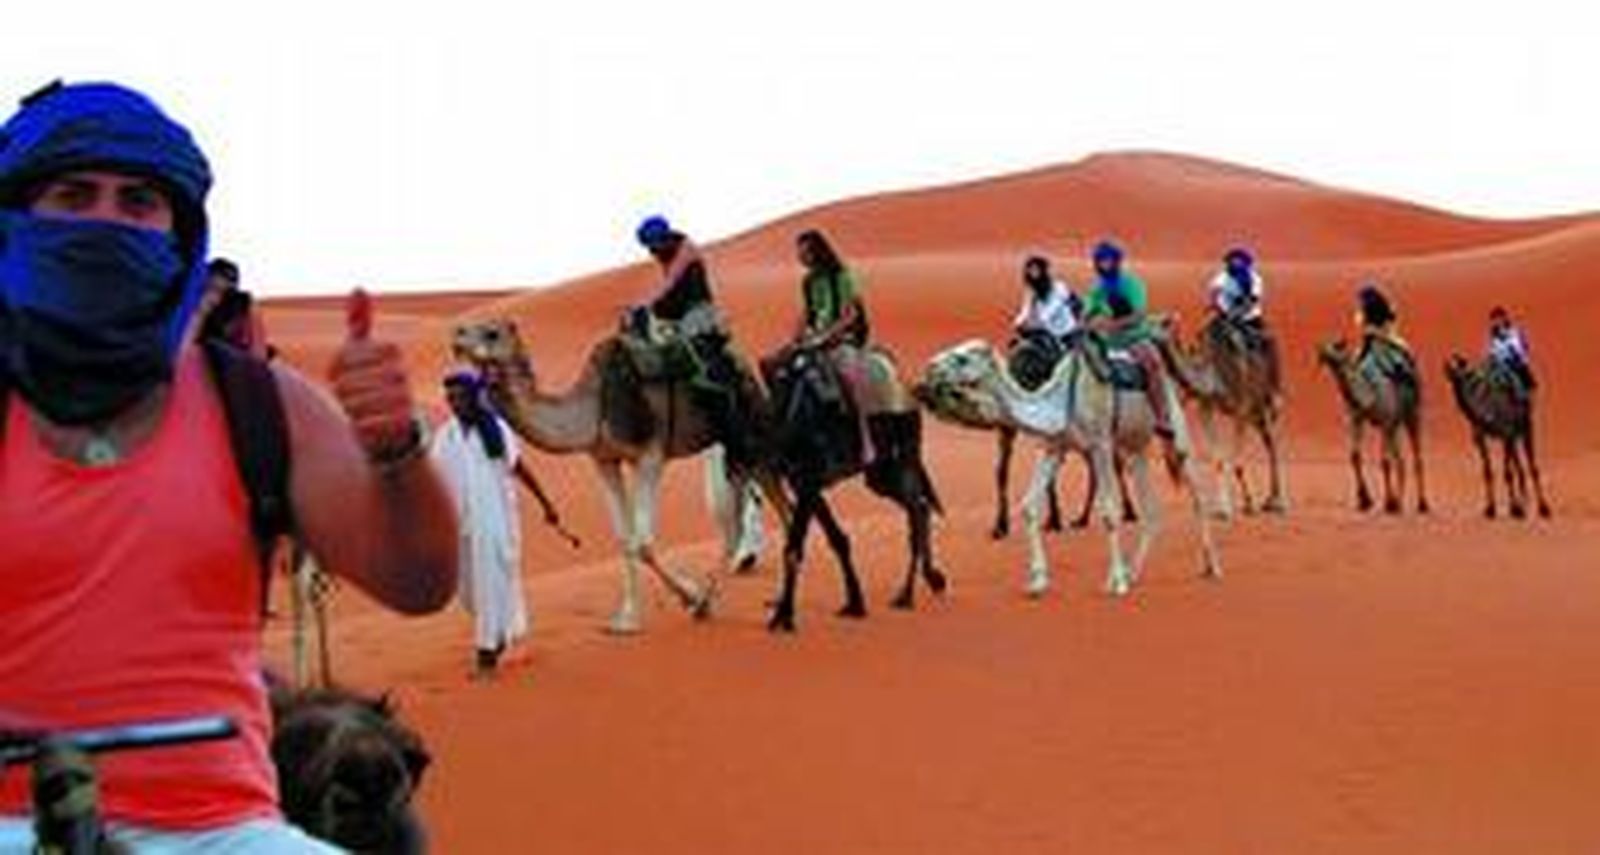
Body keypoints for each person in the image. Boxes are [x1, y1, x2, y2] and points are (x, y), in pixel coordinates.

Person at [0, 81, 458, 851]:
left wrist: (397, 450)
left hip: (217, 829)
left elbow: (418, 582)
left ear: (179, 234)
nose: (106, 221)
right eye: (75, 194)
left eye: (138, 201)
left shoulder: (260, 404)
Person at [432, 369, 561, 678]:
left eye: (459, 397)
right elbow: (433, 477)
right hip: (459, 524)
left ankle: (486, 657)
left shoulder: (496, 431)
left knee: (490, 586)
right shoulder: (446, 435)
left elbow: (519, 468)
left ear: (473, 398)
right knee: (465, 589)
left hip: (493, 522)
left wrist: (546, 503)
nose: (453, 403)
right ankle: (500, 628)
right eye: (449, 397)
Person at [631, 214, 751, 463]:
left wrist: (651, 306)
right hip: (682, 321)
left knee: (705, 373)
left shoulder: (685, 254)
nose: (651, 252)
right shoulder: (670, 257)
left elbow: (674, 291)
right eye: (648, 248)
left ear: (662, 239)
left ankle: (735, 436)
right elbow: (669, 299)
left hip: (700, 319)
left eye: (652, 246)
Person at [1080, 240, 1178, 450]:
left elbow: (1139, 314)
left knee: (1153, 363)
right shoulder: (1097, 288)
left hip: (1134, 338)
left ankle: (1163, 417)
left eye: (1108, 260)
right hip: (1108, 341)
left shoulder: (1132, 284)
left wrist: (1111, 325)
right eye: (1100, 261)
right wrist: (1086, 322)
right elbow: (1087, 311)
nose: (1104, 264)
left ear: (1116, 261)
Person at [1205, 246, 1281, 390]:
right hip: (1224, 318)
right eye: (1231, 264)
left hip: (1250, 320)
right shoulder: (1221, 279)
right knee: (1205, 337)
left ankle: (1274, 387)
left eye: (1237, 264)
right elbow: (1214, 295)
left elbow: (1252, 301)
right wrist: (1217, 307)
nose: (1233, 266)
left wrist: (1237, 314)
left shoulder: (1255, 279)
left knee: (1270, 343)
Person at [194, 256, 269, 357]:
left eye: (225, 293)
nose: (216, 299)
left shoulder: (239, 306)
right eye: (211, 288)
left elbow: (259, 354)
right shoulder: (191, 307)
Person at [1487, 305, 1536, 397]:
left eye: (1499, 318)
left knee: (1517, 374)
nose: (1497, 322)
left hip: (1515, 360)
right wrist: (1492, 356)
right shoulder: (1493, 335)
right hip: (1500, 362)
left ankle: (1523, 395)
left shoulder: (1514, 331)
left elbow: (1521, 346)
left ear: (1504, 318)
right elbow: (1493, 349)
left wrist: (1516, 354)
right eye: (1495, 320)